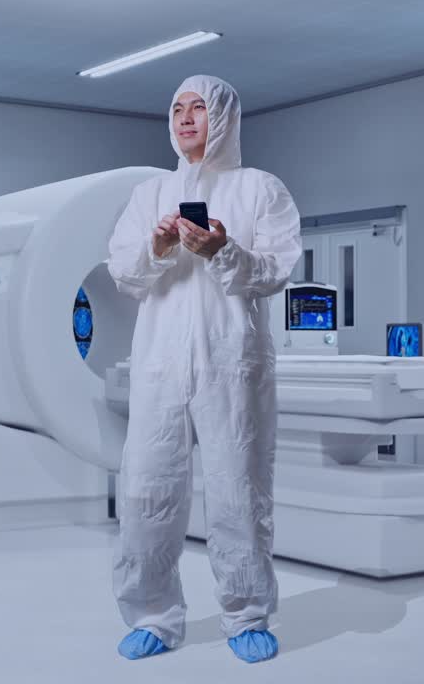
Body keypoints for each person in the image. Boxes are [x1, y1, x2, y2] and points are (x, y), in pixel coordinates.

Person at [106, 75, 302, 664]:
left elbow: (277, 269)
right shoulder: (150, 193)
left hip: (230, 362)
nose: (187, 118)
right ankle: (152, 615)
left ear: (224, 118)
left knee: (237, 491)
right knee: (146, 490)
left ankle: (246, 616)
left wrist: (222, 250)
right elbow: (124, 274)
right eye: (177, 109)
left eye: (199, 108)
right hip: (161, 361)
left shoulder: (259, 189)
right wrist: (160, 247)